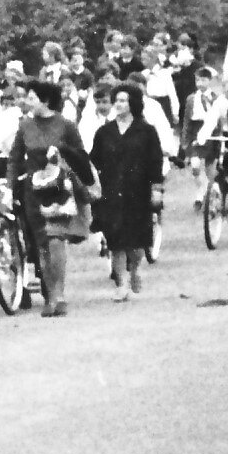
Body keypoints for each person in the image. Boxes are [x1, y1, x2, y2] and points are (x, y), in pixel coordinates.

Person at [11, 80, 96, 316]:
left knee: (56, 241)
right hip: (33, 190)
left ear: (44, 100)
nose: (27, 102)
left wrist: (61, 155)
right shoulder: (24, 126)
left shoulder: (66, 125)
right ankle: (50, 295)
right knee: (42, 246)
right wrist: (9, 188)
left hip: (59, 189)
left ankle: (59, 295)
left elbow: (81, 156)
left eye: (31, 98)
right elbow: (15, 159)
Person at [89, 83, 163, 301]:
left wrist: (156, 188)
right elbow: (94, 160)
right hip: (111, 190)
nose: (118, 104)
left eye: (123, 100)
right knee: (116, 239)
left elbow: (155, 161)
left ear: (133, 103)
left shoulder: (146, 131)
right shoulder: (105, 132)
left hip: (138, 191)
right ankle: (121, 283)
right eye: (117, 100)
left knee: (136, 240)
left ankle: (136, 269)